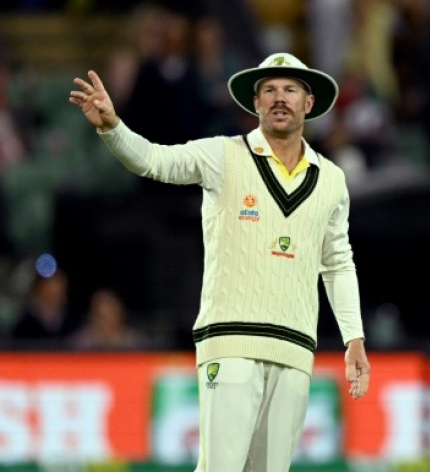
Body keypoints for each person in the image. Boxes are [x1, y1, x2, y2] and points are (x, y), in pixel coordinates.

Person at [69, 52, 371, 472]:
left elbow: (338, 262)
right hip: (230, 342)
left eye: (290, 89)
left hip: (295, 349)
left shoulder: (333, 180)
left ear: (309, 102)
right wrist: (112, 128)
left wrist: (353, 337)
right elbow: (155, 161)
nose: (279, 98)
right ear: (255, 103)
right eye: (269, 90)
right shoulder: (223, 156)